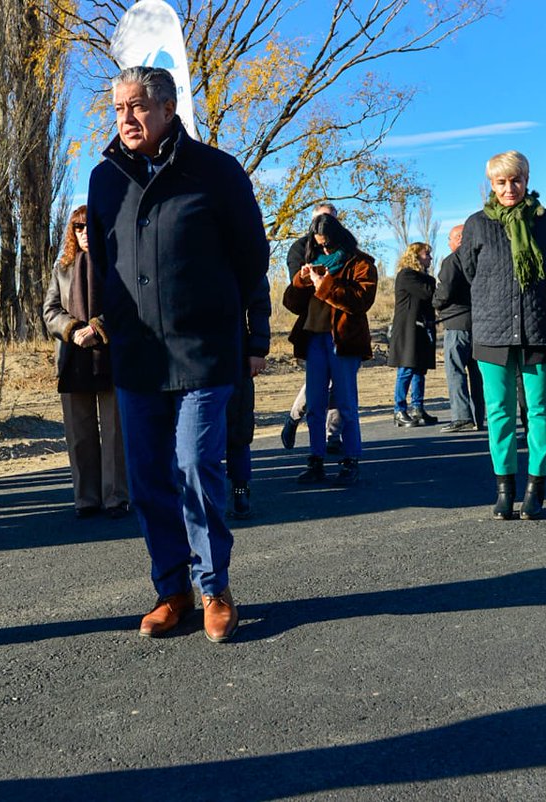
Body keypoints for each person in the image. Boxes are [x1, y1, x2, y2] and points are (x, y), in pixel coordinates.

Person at [87, 66, 269, 643]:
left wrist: (254, 336)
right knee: (146, 480)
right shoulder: (104, 177)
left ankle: (214, 586)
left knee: (193, 463)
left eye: (137, 106)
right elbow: (101, 262)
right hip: (136, 355)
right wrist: (103, 322)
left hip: (204, 352)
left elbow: (252, 260)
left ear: (168, 109)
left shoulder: (215, 172)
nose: (126, 119)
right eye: (118, 109)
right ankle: (172, 590)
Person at [458, 150, 546, 520]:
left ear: (527, 178)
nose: (510, 188)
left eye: (516, 180)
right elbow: (471, 273)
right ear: (491, 184)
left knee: (540, 412)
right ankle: (504, 489)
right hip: (492, 332)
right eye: (502, 182)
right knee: (500, 412)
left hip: (540, 330)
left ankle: (536, 489)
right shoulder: (476, 225)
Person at [42, 204, 129, 519]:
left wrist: (98, 327)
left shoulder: (118, 263)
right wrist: (74, 329)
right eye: (78, 228)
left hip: (112, 356)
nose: (85, 233)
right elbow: (49, 310)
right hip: (73, 357)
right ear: (72, 232)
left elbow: (128, 304)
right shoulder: (61, 268)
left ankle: (116, 497)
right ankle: (86, 498)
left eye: (89, 227)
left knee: (115, 431)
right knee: (79, 433)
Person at [282, 214, 378, 486]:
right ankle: (316, 459)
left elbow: (361, 301)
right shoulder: (312, 262)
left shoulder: (361, 263)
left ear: (339, 238)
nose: (324, 250)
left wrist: (324, 285)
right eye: (319, 244)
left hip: (344, 342)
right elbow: (291, 303)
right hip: (314, 340)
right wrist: (302, 281)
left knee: (346, 404)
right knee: (314, 404)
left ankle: (350, 460)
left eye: (328, 244)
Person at [280, 202, 343, 452]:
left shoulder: (345, 248)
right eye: (322, 219)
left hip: (342, 325)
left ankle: (333, 436)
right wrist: (312, 278)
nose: (326, 225)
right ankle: (295, 417)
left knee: (340, 385)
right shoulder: (300, 248)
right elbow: (295, 289)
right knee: (318, 384)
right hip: (313, 325)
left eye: (332, 219)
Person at [225, 276, 271, 519]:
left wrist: (257, 349)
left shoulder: (241, 248)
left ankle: (240, 488)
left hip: (237, 351)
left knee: (239, 426)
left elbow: (259, 305)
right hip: (190, 354)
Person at [433, 224, 485, 432]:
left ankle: (462, 416)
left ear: (458, 239)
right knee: (477, 373)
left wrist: (435, 302)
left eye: (449, 238)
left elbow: (445, 291)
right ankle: (478, 416)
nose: (448, 242)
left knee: (455, 370)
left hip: (456, 322)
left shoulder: (452, 260)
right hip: (479, 323)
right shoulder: (480, 259)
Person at [388, 241, 438, 427]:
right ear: (416, 256)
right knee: (406, 368)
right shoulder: (407, 275)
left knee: (419, 369)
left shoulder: (424, 277)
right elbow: (428, 293)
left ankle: (417, 408)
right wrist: (434, 284)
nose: (430, 258)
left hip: (422, 329)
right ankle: (399, 410)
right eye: (427, 255)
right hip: (408, 330)